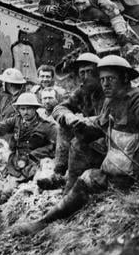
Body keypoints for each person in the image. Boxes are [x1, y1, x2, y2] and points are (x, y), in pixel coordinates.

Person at [14, 56, 139, 235]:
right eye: (102, 80)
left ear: (125, 78)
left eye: (110, 79)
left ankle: (48, 217)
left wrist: (137, 170)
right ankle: (45, 220)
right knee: (85, 176)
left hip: (136, 170)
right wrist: (81, 127)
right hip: (117, 167)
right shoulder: (111, 102)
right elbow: (99, 127)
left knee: (89, 176)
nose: (105, 84)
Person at [37, 53, 105, 192]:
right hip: (92, 136)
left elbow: (109, 119)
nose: (84, 77)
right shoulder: (83, 91)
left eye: (89, 72)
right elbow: (59, 108)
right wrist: (67, 116)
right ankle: (59, 174)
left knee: (77, 141)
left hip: (108, 141)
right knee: (64, 126)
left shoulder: (108, 91)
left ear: (98, 74)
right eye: (82, 73)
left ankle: (70, 185)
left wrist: (85, 121)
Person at [0, 92, 56, 181]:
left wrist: (40, 153)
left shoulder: (47, 126)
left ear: (35, 109)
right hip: (16, 164)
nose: (25, 112)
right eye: (22, 109)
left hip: (36, 165)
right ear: (18, 109)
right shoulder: (16, 120)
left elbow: (59, 145)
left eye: (29, 109)